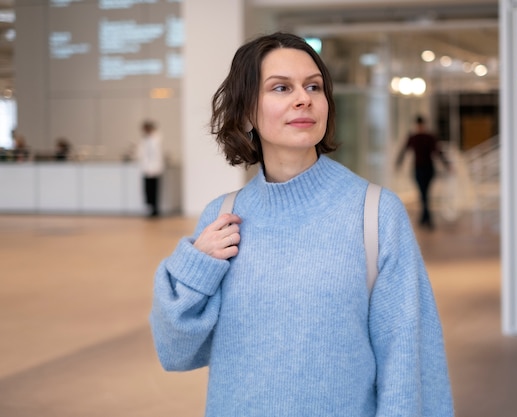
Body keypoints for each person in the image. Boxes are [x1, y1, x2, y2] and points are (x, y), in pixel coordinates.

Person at [149, 32, 454, 417]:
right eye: (281, 87)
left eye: (314, 86)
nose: (304, 98)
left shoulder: (376, 213)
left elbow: (409, 361)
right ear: (246, 112)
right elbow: (175, 352)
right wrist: (197, 265)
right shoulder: (221, 217)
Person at [396, 115, 450, 230]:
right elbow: (404, 151)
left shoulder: (430, 137)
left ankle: (425, 218)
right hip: (418, 169)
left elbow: (438, 152)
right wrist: (398, 163)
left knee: (425, 193)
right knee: (423, 193)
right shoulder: (414, 137)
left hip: (428, 169)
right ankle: (426, 218)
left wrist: (447, 164)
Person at [136, 120, 164, 218]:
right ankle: (149, 209)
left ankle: (155, 210)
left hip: (155, 169)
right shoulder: (145, 139)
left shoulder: (156, 138)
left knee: (154, 191)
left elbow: (156, 155)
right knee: (147, 191)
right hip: (146, 169)